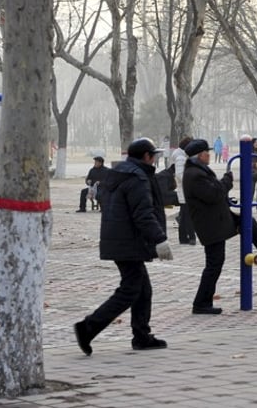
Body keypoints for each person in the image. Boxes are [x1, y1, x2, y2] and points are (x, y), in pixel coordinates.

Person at [74, 138, 173, 356]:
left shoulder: (119, 173)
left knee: (142, 289)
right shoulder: (137, 177)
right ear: (146, 157)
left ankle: (141, 336)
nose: (155, 160)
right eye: (153, 156)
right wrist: (159, 239)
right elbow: (143, 213)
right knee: (131, 289)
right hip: (129, 240)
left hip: (119, 238)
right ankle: (88, 327)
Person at [183, 138, 257, 315]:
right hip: (211, 224)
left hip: (217, 220)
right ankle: (201, 303)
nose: (209, 155)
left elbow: (213, 193)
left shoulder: (197, 171)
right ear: (200, 155)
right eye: (207, 153)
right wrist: (227, 181)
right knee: (214, 264)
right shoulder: (195, 175)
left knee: (247, 221)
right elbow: (213, 193)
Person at [170, 136, 196, 244]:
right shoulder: (181, 158)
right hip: (185, 191)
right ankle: (191, 236)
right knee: (188, 215)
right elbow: (180, 175)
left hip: (185, 190)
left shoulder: (181, 156)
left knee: (185, 215)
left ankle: (184, 237)